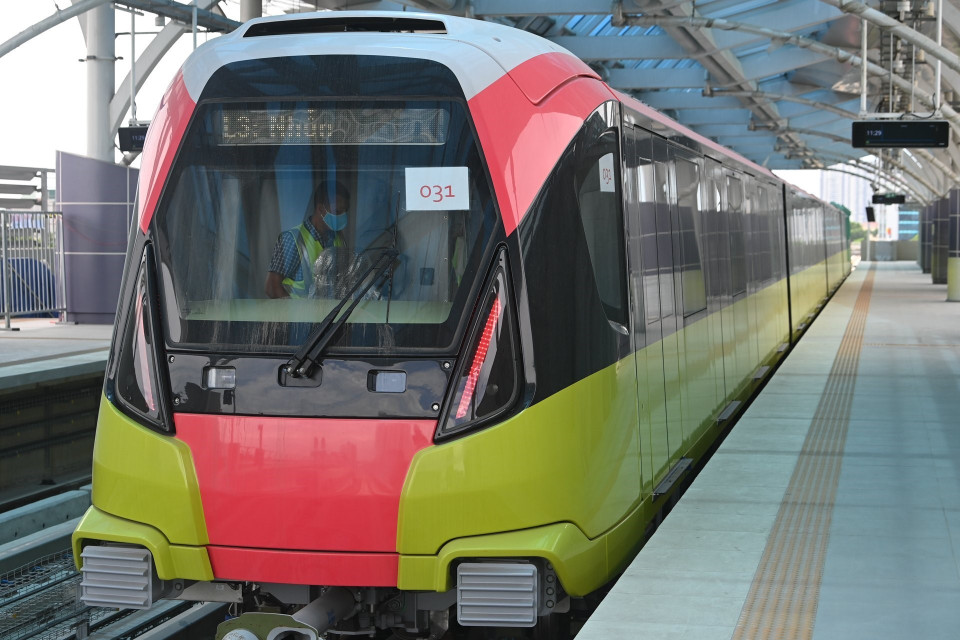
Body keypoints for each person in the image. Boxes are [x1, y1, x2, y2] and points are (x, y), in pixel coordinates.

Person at [265, 181, 350, 299]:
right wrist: (294, 310)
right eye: (338, 211)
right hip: (299, 310)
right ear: (321, 209)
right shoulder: (292, 240)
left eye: (345, 211)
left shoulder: (338, 239)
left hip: (333, 310)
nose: (343, 216)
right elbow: (272, 288)